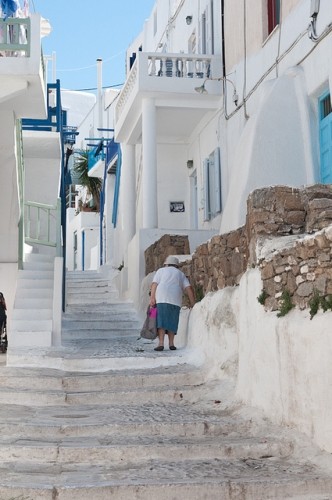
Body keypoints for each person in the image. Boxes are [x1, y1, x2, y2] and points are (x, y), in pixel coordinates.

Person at [149, 256, 195, 351]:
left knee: (161, 321)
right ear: (177, 266)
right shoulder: (180, 274)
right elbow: (188, 288)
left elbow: (154, 284)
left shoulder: (161, 271)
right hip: (175, 299)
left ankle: (161, 343)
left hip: (161, 297)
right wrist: (193, 303)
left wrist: (152, 298)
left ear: (166, 264)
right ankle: (171, 344)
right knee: (172, 320)